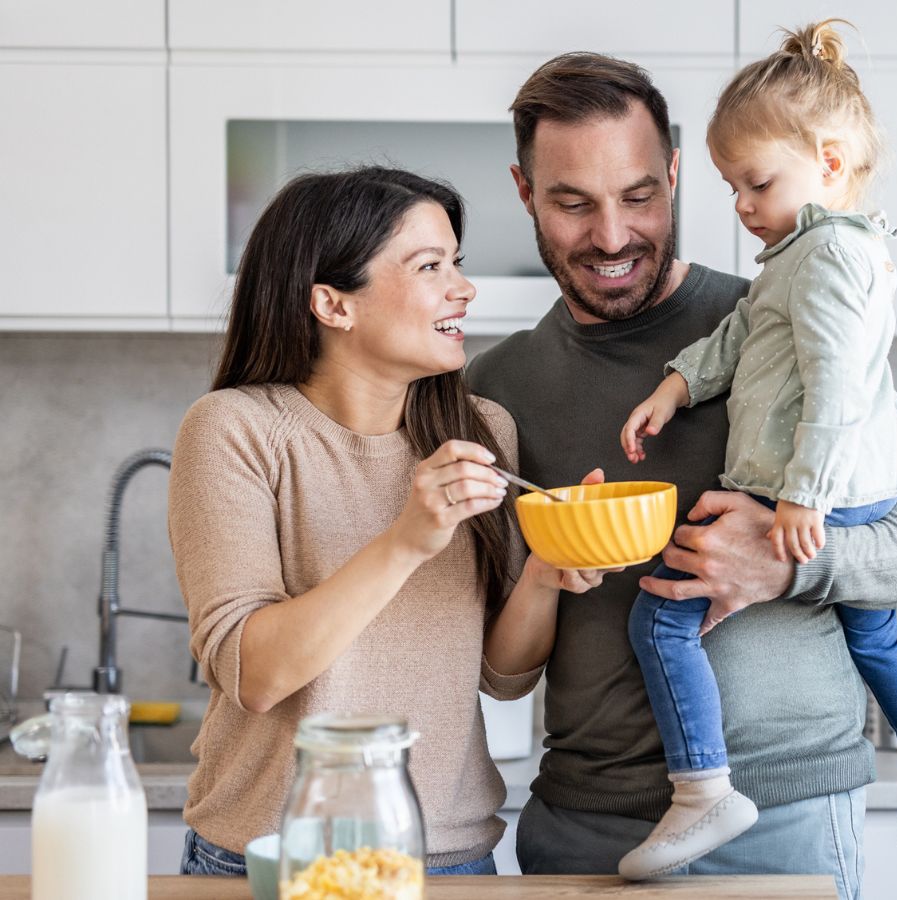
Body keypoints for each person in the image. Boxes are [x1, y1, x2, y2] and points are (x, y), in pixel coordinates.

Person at [467, 52, 897, 899]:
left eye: (638, 196)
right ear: (525, 193)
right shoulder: (498, 387)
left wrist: (792, 563)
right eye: (571, 203)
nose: (611, 235)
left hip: (787, 817)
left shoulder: (788, 308)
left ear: (674, 175)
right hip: (585, 825)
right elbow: (504, 672)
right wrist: (549, 567)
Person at [168, 166, 611, 877]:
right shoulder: (235, 431)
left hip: (453, 858)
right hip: (280, 859)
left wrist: (545, 571)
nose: (462, 288)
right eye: (430, 266)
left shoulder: (481, 430)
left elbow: (502, 676)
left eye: (456, 264)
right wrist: (407, 541)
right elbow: (257, 674)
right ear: (332, 304)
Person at [615, 21, 897, 878]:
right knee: (875, 633)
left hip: (817, 486)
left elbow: (840, 384)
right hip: (840, 486)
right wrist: (678, 384)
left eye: (755, 182)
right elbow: (742, 332)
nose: (741, 203)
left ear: (831, 162)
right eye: (732, 186)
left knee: (662, 612)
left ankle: (704, 790)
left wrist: (802, 498)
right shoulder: (801, 253)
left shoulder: (828, 260)